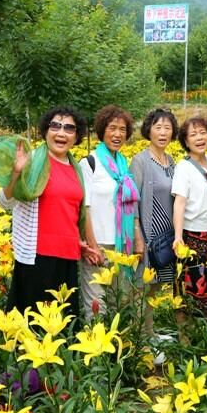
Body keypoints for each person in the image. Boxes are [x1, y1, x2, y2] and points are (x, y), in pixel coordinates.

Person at [0, 106, 91, 317]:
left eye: (69, 128)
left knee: (63, 326)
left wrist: (80, 241)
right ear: (45, 131)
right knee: (34, 324)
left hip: (67, 255)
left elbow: (71, 212)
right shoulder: (33, 162)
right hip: (38, 256)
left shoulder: (78, 169)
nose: (61, 133)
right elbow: (5, 202)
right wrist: (15, 173)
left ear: (76, 136)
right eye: (55, 126)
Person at [79, 105, 140, 321]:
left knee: (118, 303)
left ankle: (116, 353)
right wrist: (93, 246)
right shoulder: (89, 163)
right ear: (102, 130)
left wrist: (136, 238)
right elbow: (84, 208)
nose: (117, 134)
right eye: (112, 128)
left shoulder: (123, 164)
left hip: (122, 245)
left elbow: (131, 206)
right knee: (96, 305)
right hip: (99, 245)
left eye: (122, 129)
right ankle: (95, 350)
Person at [171, 117, 207, 317]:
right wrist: (178, 236)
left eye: (202, 133)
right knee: (190, 287)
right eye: (193, 135)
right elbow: (179, 203)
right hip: (192, 235)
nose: (199, 138)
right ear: (186, 141)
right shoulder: (184, 167)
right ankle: (185, 338)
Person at [129, 108, 179, 289]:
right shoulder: (140, 161)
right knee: (144, 291)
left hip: (168, 238)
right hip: (149, 238)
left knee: (161, 289)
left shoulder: (171, 161)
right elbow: (132, 201)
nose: (163, 132)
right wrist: (138, 237)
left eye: (167, 128)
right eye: (158, 127)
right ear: (148, 130)